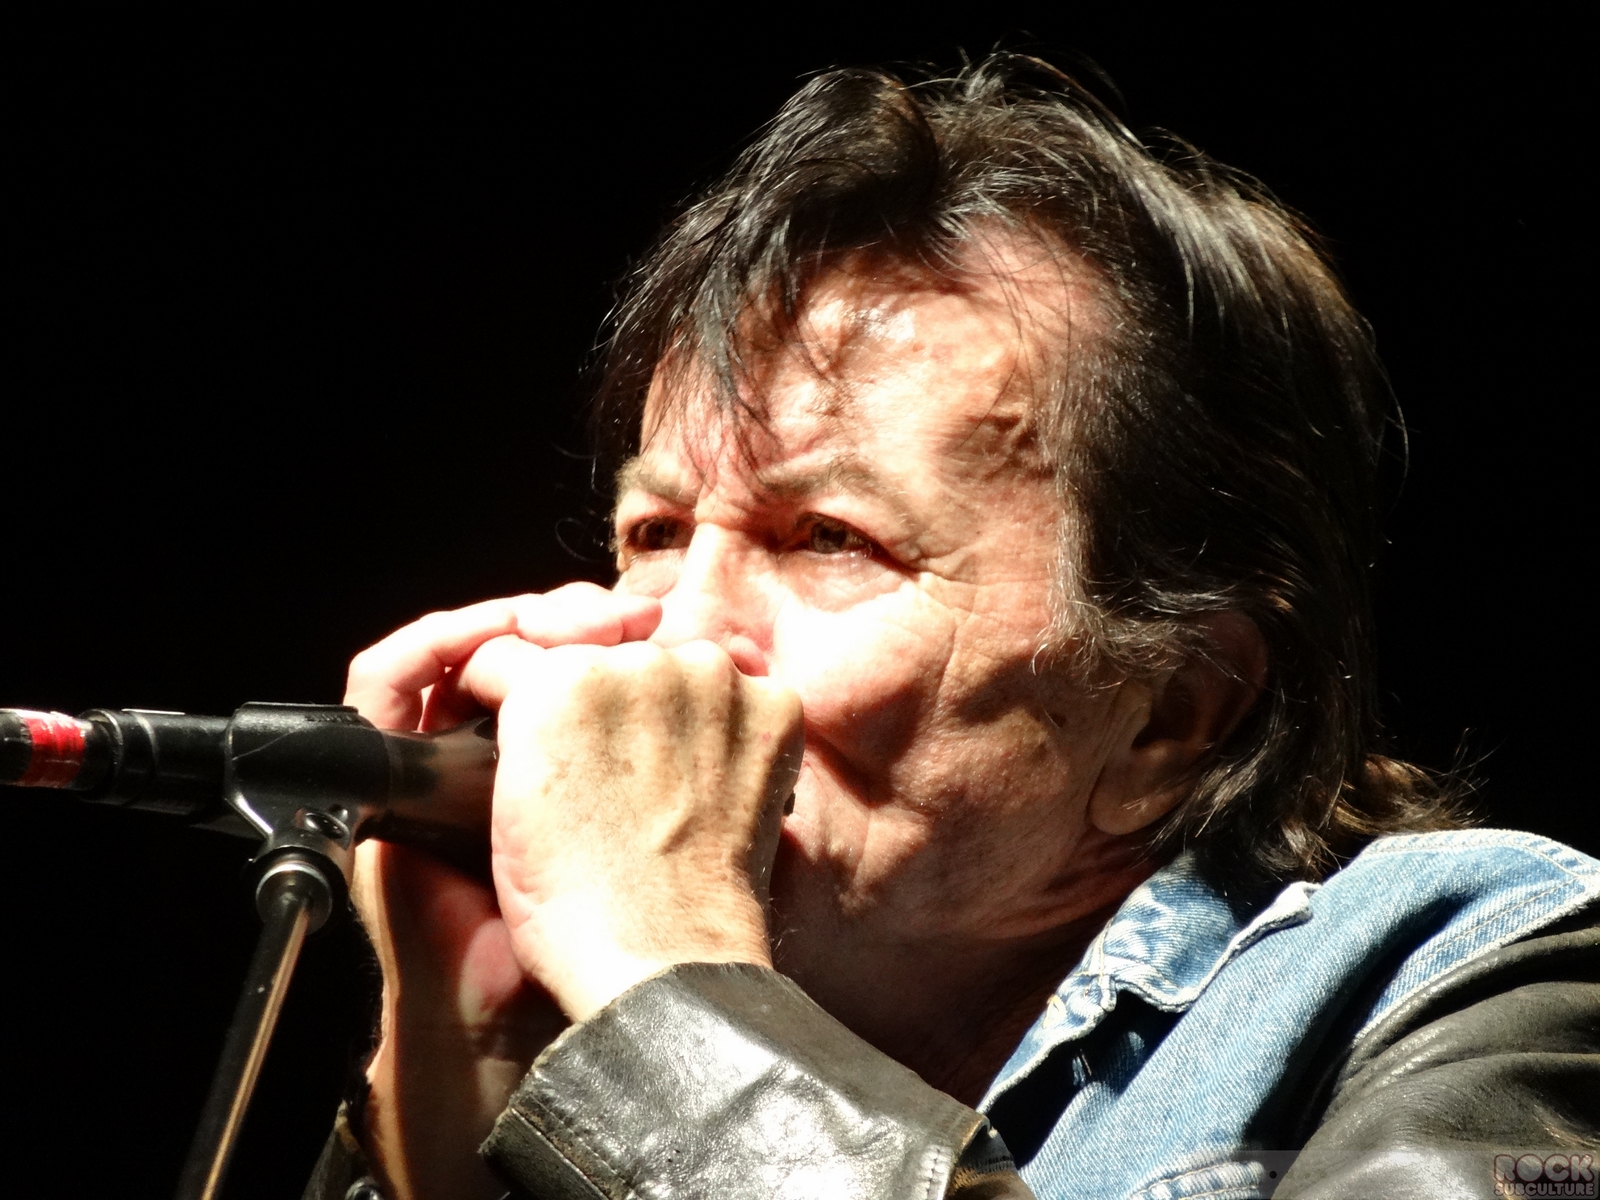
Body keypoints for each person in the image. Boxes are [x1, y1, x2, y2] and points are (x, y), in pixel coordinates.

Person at [305, 57, 1600, 1200]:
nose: (676, 642)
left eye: (830, 538)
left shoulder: (1495, 980)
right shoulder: (596, 1078)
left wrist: (673, 996)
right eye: (655, 533)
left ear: (1170, 715)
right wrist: (463, 1082)